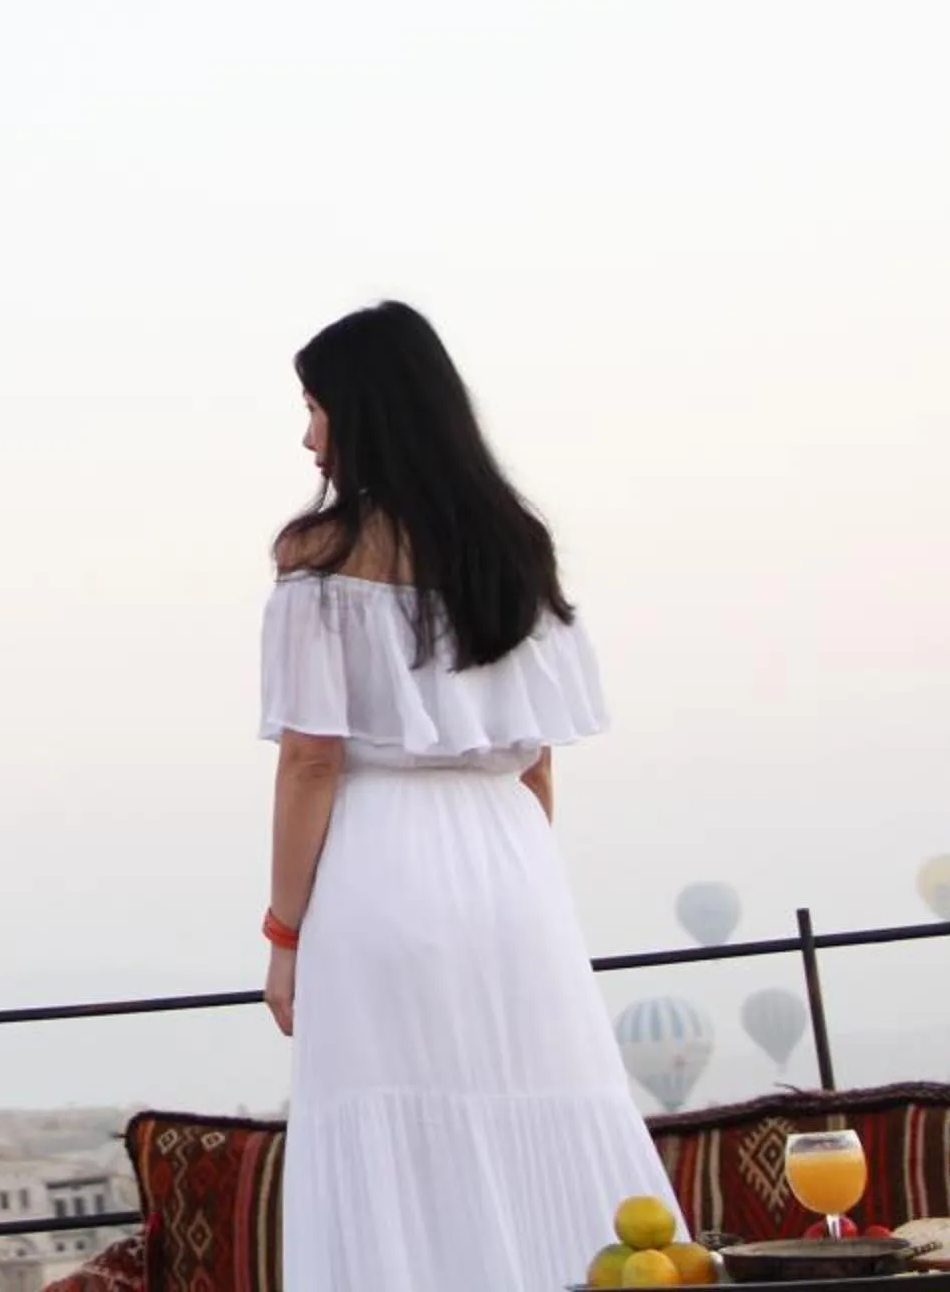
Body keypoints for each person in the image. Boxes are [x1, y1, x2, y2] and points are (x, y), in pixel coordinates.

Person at [257, 300, 678, 1289]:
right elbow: (536, 760)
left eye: (314, 406)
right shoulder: (517, 550)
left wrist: (284, 935)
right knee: (544, 1099)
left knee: (391, 1126)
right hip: (511, 859)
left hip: (381, 859)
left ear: (362, 413)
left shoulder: (317, 558)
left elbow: (311, 758)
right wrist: (514, 875)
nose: (307, 431)